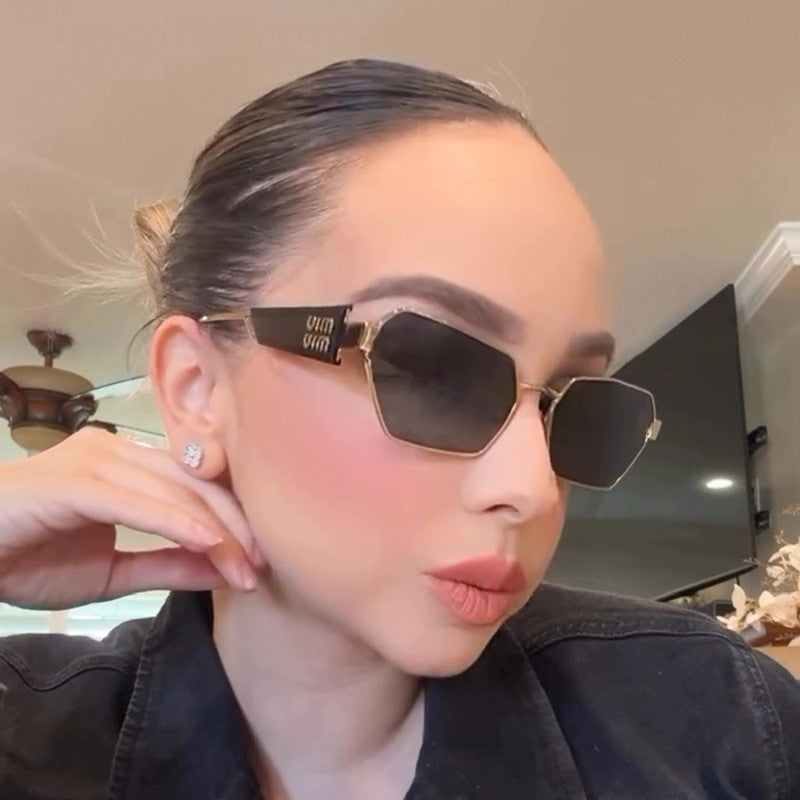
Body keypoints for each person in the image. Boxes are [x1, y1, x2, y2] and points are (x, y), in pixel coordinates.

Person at [0, 58, 798, 800]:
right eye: (432, 370)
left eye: (568, 402)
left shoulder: (720, 720)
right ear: (197, 387)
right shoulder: (27, 734)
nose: (531, 487)